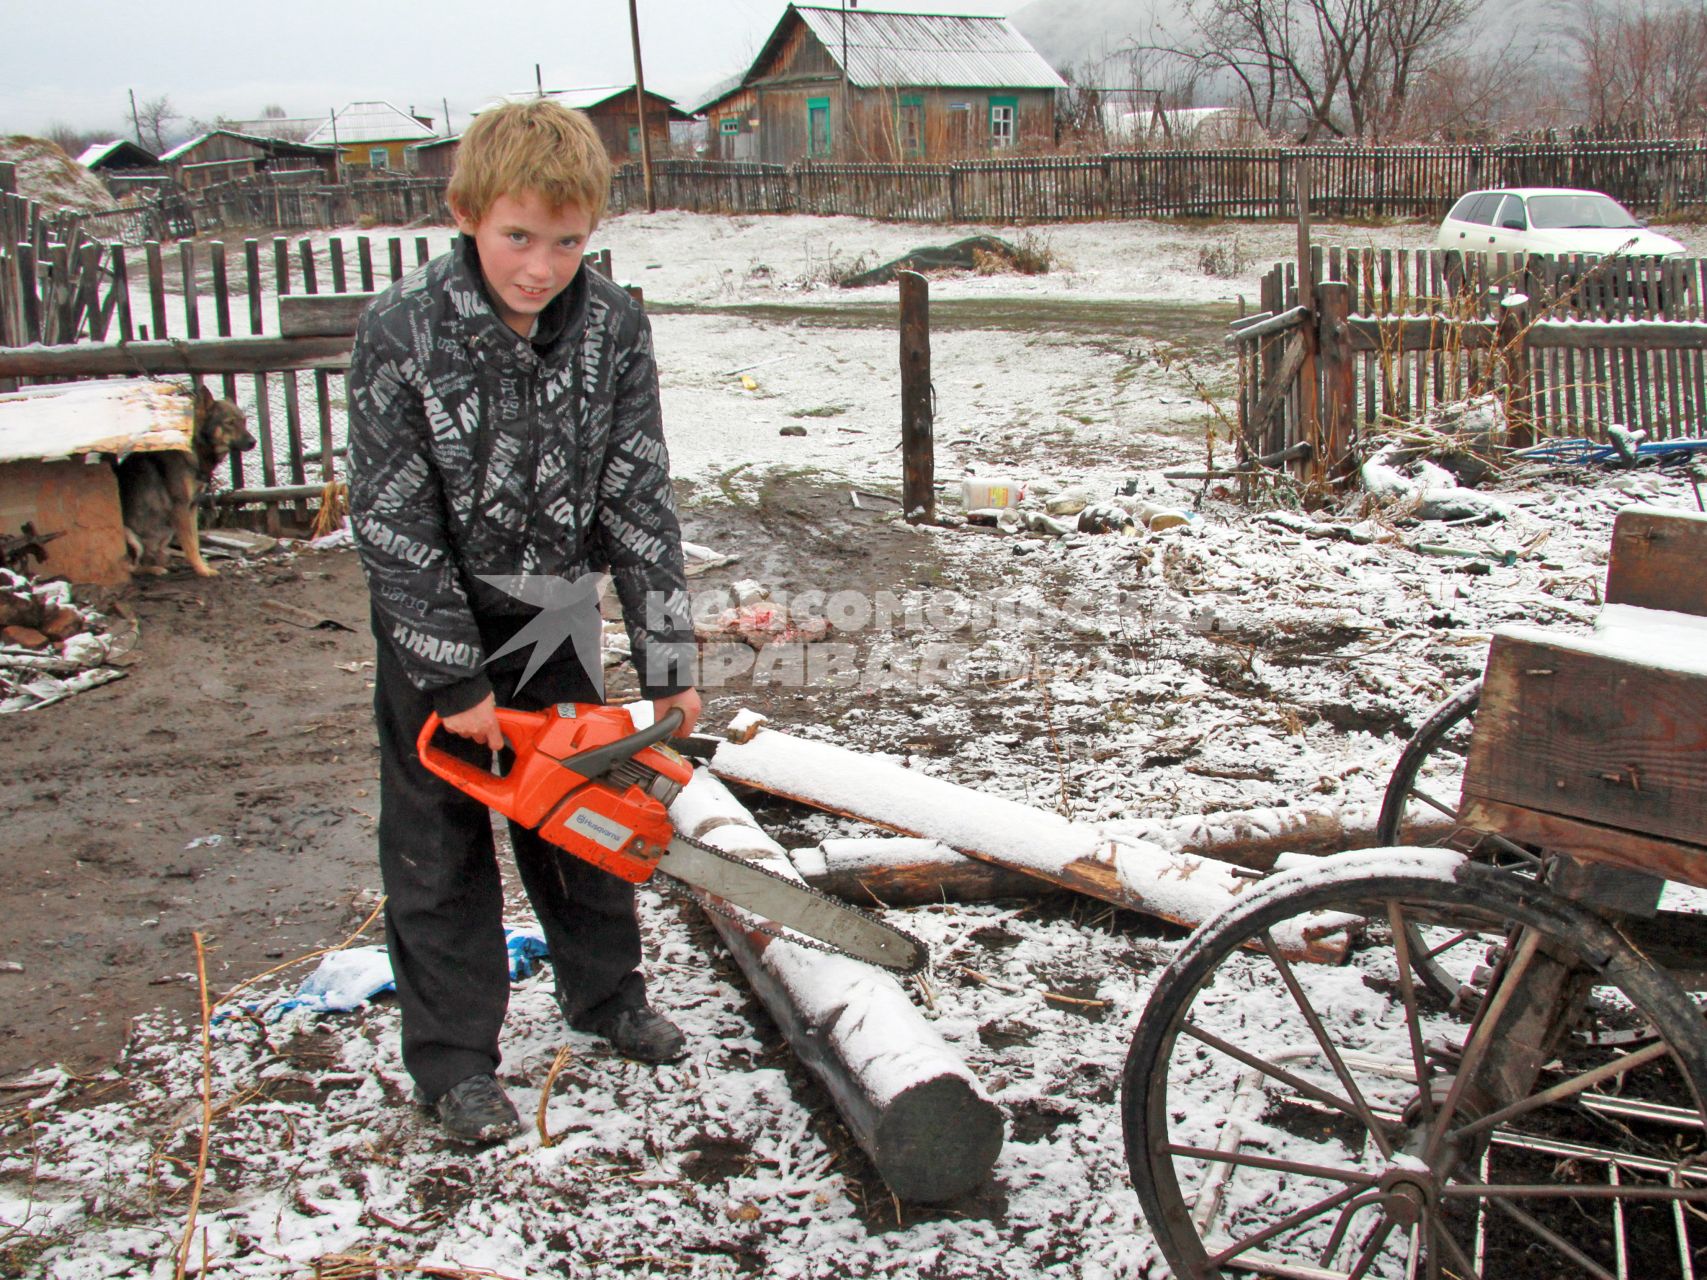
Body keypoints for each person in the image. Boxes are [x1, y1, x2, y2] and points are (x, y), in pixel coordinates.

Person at [346, 99, 701, 1145]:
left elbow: (639, 496)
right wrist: (457, 686)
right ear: (465, 213)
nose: (540, 265)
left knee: (582, 806)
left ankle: (607, 995)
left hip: (550, 608)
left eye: (565, 240)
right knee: (439, 843)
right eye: (517, 236)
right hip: (435, 623)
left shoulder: (612, 330)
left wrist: (668, 653)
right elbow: (393, 520)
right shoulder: (401, 331)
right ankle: (455, 1061)